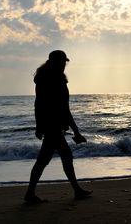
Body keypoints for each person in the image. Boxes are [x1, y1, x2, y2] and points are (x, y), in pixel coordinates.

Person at [24, 50, 92, 204]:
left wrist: (39, 125)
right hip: (52, 125)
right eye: (62, 62)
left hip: (52, 125)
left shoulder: (52, 78)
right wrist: (76, 131)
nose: (64, 65)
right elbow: (49, 105)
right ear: (54, 62)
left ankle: (32, 193)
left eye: (65, 62)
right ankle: (75, 190)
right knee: (55, 158)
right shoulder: (50, 79)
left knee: (49, 159)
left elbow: (44, 105)